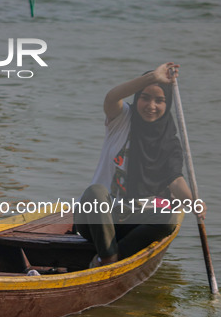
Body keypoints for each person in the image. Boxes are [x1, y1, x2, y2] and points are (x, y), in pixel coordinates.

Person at [74, 62, 206, 267]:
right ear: (136, 98)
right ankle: (107, 257)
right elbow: (112, 97)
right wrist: (152, 77)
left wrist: (194, 202)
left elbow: (174, 179)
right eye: (145, 98)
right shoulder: (122, 118)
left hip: (133, 223)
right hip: (97, 220)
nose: (151, 106)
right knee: (96, 192)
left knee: (168, 219)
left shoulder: (169, 142)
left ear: (167, 104)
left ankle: (114, 256)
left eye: (159, 100)